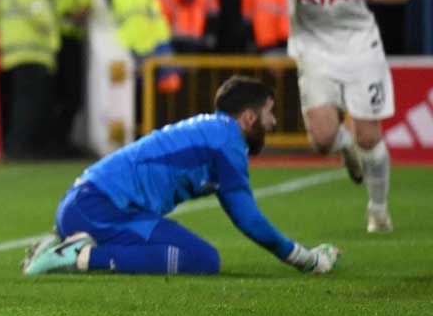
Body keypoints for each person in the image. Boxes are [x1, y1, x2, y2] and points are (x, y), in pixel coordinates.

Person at [224, 0, 411, 233]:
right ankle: (346, 147)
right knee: (323, 140)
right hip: (313, 48)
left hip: (359, 44)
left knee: (369, 135)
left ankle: (378, 210)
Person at [21, 76, 341, 277]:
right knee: (201, 259)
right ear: (248, 117)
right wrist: (304, 259)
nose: (272, 122)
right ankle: (78, 255)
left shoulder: (213, 132)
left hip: (89, 205)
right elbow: (249, 220)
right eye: (269, 112)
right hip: (99, 208)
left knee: (195, 254)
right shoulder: (227, 142)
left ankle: (68, 242)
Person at [34, 0, 103, 155]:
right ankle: (52, 141)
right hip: (52, 35)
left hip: (77, 35)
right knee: (53, 93)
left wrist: (84, 9)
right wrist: (65, 11)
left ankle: (62, 139)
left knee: (74, 93)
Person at [0, 0, 60, 158]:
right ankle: (24, 147)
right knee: (33, 106)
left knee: (20, 105)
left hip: (13, 55)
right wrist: (53, 43)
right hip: (35, 54)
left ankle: (16, 145)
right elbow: (42, 18)